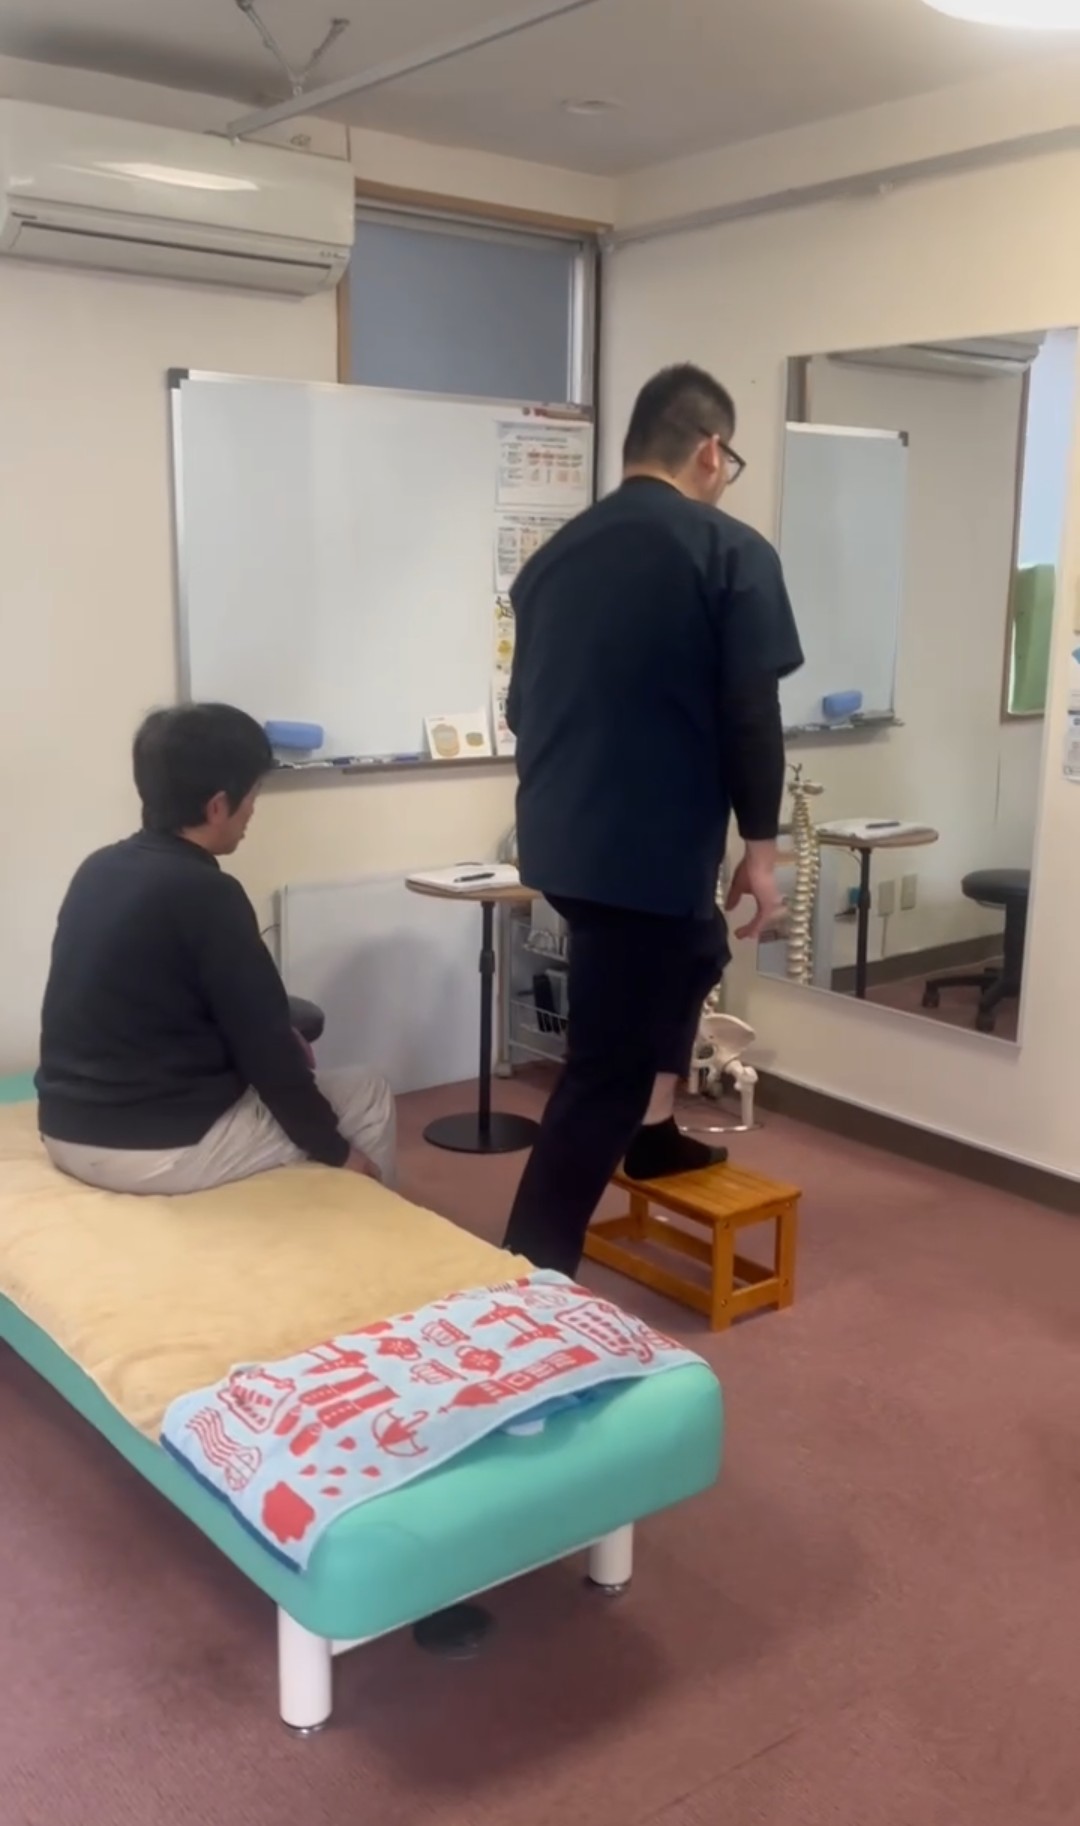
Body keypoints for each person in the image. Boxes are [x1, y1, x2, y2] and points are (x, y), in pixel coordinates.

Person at [502, 364, 803, 1276]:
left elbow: (522, 709)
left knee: (697, 952)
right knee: (606, 1070)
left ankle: (656, 1135)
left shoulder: (553, 559)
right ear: (711, 450)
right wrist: (761, 851)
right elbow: (751, 714)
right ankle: (528, 1269)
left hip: (561, 841)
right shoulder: (729, 551)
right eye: (730, 461)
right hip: (644, 855)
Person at [36, 703, 395, 1195]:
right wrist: (337, 1150)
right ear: (218, 807)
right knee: (368, 1092)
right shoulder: (209, 894)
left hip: (62, 1127)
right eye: (254, 796)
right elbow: (267, 1051)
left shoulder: (97, 869)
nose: (253, 812)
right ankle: (370, 1229)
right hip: (153, 1149)